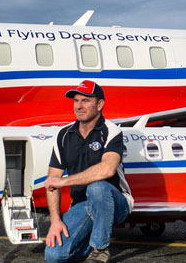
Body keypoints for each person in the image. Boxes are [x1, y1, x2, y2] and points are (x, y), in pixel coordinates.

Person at [44, 80, 133, 263]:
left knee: (97, 188)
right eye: (76, 101)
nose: (79, 106)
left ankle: (100, 251)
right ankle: (89, 243)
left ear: (100, 104)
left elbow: (107, 169)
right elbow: (52, 180)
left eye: (85, 101)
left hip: (116, 201)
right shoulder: (63, 135)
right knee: (54, 256)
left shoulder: (111, 131)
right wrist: (55, 221)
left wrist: (64, 182)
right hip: (82, 204)